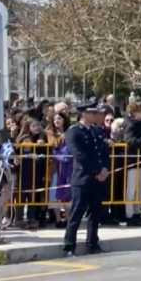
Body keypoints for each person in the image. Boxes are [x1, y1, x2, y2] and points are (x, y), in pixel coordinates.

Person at [63, 103, 110, 256]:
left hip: (98, 179)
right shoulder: (74, 131)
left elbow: (104, 152)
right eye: (93, 113)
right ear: (83, 114)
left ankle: (92, 243)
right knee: (77, 213)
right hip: (83, 178)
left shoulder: (97, 131)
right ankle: (69, 245)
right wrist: (96, 171)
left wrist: (105, 168)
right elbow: (79, 155)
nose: (96, 115)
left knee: (95, 213)